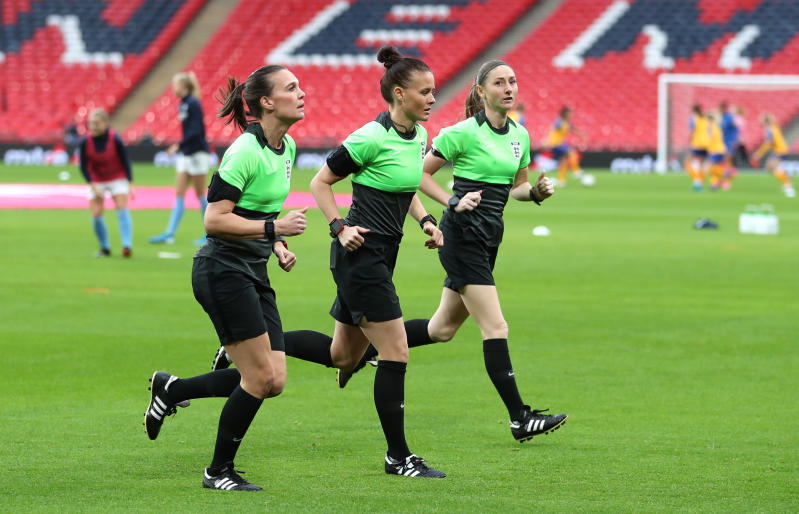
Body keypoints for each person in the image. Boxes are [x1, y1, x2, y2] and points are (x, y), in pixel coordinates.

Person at [336, 60, 568, 443]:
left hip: (490, 236)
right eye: (499, 82)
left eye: (513, 80)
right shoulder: (461, 133)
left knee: (441, 329)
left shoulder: (519, 136)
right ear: (481, 91)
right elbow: (419, 174)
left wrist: (537, 194)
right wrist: (452, 200)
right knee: (496, 326)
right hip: (462, 237)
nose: (509, 87)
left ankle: (366, 353)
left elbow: (516, 188)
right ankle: (519, 417)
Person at [143, 65, 312, 492]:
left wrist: (276, 245)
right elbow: (214, 220)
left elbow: (258, 212)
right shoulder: (244, 151)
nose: (302, 92)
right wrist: (274, 232)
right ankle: (217, 471)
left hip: (253, 269)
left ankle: (174, 388)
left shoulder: (287, 146)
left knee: (274, 380)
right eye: (291, 87)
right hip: (222, 271)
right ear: (268, 102)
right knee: (258, 379)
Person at [307, 45, 446, 478]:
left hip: (385, 254)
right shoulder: (369, 136)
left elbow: (404, 190)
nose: (432, 99)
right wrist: (338, 227)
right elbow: (320, 182)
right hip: (359, 253)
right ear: (400, 93)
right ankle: (398, 456)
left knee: (344, 356)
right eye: (425, 92)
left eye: (434, 91)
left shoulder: (419, 137)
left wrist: (426, 220)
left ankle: (250, 346)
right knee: (395, 350)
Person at [149, 71, 211, 246]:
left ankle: (210, 233)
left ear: (183, 86)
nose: (173, 88)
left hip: (197, 152)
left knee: (200, 194)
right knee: (179, 193)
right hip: (187, 153)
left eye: (175, 84)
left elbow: (196, 131)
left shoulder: (193, 103)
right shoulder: (184, 103)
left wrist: (178, 145)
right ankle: (170, 233)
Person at [79, 108, 134, 258]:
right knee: (96, 213)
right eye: (91, 123)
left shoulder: (115, 138)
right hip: (97, 180)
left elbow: (125, 160)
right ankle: (105, 248)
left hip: (116, 177)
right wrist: (92, 184)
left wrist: (130, 183)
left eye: (96, 123)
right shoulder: (85, 141)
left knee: (122, 208)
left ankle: (126, 246)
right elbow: (83, 166)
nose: (93, 126)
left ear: (105, 123)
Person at [750, 112, 796, 198]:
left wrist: (758, 154)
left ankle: (789, 187)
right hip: (781, 150)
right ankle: (787, 177)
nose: (760, 121)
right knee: (770, 167)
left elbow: (768, 143)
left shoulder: (769, 129)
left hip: (779, 151)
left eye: (761, 120)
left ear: (765, 121)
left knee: (773, 168)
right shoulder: (773, 127)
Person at [545, 105, 586, 187]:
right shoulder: (559, 122)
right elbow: (552, 130)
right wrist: (548, 140)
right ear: (565, 114)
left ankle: (561, 181)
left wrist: (582, 135)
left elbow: (573, 129)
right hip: (556, 144)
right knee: (571, 151)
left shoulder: (567, 123)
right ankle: (576, 171)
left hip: (559, 144)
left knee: (564, 161)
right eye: (570, 113)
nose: (571, 115)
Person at [685, 104, 709, 191]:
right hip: (706, 143)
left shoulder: (693, 118)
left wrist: (690, 139)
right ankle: (700, 183)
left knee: (689, 162)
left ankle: (697, 182)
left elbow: (692, 130)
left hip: (697, 143)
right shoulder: (705, 118)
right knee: (702, 163)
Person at [706, 111, 727, 191]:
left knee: (711, 168)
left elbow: (710, 138)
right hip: (720, 149)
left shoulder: (711, 127)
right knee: (716, 167)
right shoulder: (717, 127)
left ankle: (721, 181)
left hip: (715, 150)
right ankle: (717, 183)